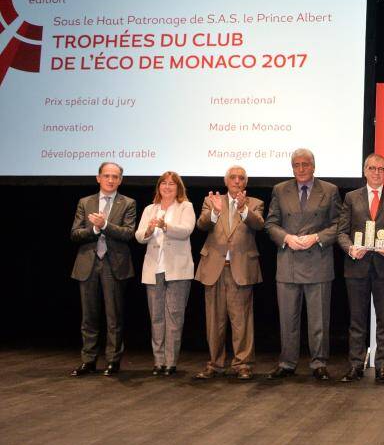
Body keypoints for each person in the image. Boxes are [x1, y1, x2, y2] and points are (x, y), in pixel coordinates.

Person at [264, 148, 342, 381]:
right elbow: (271, 223)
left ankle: (319, 363)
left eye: (305, 164)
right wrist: (287, 238)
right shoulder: (280, 190)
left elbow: (339, 224)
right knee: (288, 319)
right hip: (288, 261)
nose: (301, 169)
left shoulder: (329, 190)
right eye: (296, 165)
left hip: (318, 261)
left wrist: (316, 238)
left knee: (319, 319)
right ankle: (287, 363)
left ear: (313, 166)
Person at [337, 153, 384, 384]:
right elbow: (341, 232)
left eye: (381, 169)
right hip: (356, 266)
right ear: (365, 170)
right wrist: (350, 249)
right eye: (372, 168)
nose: (377, 173)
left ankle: (382, 368)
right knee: (357, 320)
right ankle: (356, 366)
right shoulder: (351, 197)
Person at [193, 165, 265, 381]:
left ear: (246, 182)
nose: (237, 181)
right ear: (226, 181)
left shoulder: (255, 203)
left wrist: (243, 209)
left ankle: (243, 364)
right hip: (214, 268)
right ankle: (215, 364)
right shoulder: (212, 201)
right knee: (214, 321)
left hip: (241, 268)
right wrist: (214, 212)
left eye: (241, 178)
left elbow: (259, 225)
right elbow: (201, 225)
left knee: (242, 320)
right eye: (232, 178)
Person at [69, 162, 137, 377]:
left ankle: (113, 360)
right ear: (98, 178)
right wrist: (95, 228)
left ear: (120, 180)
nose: (110, 180)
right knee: (88, 317)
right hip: (88, 264)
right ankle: (88, 361)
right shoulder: (85, 202)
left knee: (113, 316)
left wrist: (105, 225)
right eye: (106, 176)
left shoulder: (128, 203)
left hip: (113, 264)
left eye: (115, 176)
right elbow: (75, 234)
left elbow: (128, 233)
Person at [135, 171, 196, 376]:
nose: (168, 187)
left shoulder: (185, 207)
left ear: (178, 188)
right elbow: (139, 236)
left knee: (174, 317)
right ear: (159, 187)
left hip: (178, 270)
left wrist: (165, 225)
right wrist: (149, 231)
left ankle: (171, 362)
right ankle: (158, 361)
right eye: (164, 183)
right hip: (153, 269)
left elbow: (186, 230)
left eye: (172, 184)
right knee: (156, 318)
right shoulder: (149, 209)